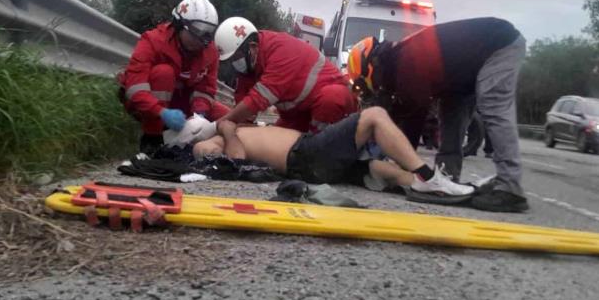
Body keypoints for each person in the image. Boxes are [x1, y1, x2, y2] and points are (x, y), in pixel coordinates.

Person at [347, 18, 529, 213]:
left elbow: (415, 116)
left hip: (499, 44)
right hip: (463, 72)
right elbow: (407, 110)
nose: (373, 91)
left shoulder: (406, 61)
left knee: (494, 106)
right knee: (451, 114)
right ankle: (448, 179)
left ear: (370, 68)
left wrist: (405, 165)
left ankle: (510, 188)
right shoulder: (400, 58)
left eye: (365, 86)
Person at [192, 107, 475, 200]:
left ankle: (423, 185)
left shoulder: (237, 131)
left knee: (375, 168)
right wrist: (227, 131)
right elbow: (236, 163)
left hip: (311, 157)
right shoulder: (211, 142)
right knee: (373, 115)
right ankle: (428, 176)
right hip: (305, 156)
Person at [118, 0, 230, 154]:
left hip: (182, 102)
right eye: (196, 31)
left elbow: (206, 89)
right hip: (149, 103)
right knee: (164, 73)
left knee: (228, 117)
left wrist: (200, 114)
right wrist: (161, 113)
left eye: (208, 33)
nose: (201, 40)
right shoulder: (153, 40)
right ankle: (153, 138)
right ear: (179, 25)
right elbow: (135, 88)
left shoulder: (209, 50)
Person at [213, 17, 357, 133]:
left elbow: (257, 99)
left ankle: (319, 152)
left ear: (253, 47)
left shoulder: (281, 49)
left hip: (330, 106)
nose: (235, 63)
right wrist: (240, 125)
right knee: (268, 145)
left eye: (237, 57)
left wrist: (218, 125)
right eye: (231, 61)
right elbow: (243, 101)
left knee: (332, 97)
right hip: (297, 116)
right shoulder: (251, 63)